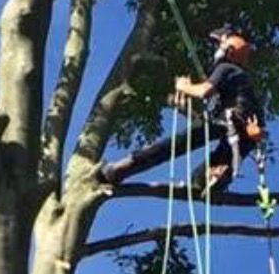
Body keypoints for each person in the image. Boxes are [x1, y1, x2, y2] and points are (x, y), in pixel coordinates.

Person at [100, 27, 264, 193]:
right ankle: (215, 175)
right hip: (248, 132)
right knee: (204, 177)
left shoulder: (227, 68)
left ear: (229, 51)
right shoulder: (243, 81)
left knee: (173, 146)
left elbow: (203, 91)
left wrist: (184, 86)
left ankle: (118, 169)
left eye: (220, 46)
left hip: (227, 119)